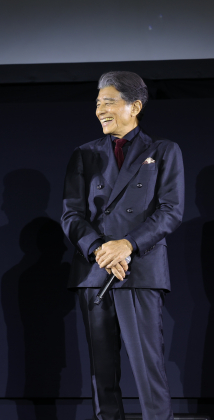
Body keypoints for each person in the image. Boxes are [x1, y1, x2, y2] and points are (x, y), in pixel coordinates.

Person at [61, 71, 184, 419]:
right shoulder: (84, 154)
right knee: (102, 374)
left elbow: (171, 211)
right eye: (98, 103)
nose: (100, 110)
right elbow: (71, 215)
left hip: (139, 271)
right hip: (95, 271)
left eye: (109, 102)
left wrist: (127, 245)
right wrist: (101, 250)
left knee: (148, 370)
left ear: (135, 106)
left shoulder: (163, 151)